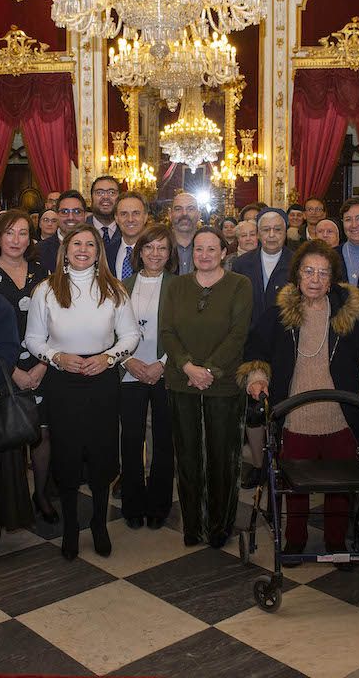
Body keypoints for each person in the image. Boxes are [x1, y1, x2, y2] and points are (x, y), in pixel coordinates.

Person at [240, 240, 359, 557]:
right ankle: (295, 541)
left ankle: (335, 542)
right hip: (294, 414)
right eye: (308, 271)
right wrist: (258, 377)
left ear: (332, 279)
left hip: (340, 414)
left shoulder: (349, 315)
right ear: (297, 275)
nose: (315, 279)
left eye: (323, 273)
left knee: (339, 487)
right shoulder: (278, 314)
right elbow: (256, 351)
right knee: (294, 485)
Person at [25, 226, 140, 560]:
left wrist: (109, 358)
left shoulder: (114, 289)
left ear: (98, 252)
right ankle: (72, 528)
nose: (84, 249)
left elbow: (130, 335)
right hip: (63, 380)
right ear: (65, 249)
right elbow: (33, 339)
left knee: (103, 453)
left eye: (91, 244)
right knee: (67, 454)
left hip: (103, 378)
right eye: (77, 243)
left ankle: (100, 524)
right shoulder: (46, 290)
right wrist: (56, 357)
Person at [159, 226, 252, 548]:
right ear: (191, 253)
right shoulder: (177, 286)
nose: (205, 255)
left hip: (223, 384)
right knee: (187, 456)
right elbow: (167, 331)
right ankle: (192, 525)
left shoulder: (240, 285)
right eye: (199, 249)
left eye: (212, 249)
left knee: (222, 458)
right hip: (181, 381)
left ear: (224, 252)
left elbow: (238, 335)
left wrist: (208, 370)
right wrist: (187, 366)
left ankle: (219, 526)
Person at [0, 211, 55, 524]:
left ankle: (41, 495)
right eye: (10, 233)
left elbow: (57, 319)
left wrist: (41, 365)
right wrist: (12, 370)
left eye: (23, 233)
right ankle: (11, 502)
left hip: (42, 363)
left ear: (31, 238)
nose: (16, 240)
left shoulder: (41, 273)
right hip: (2, 366)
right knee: (9, 435)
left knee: (42, 434)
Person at [120, 225, 176, 530]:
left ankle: (158, 505)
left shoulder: (180, 286)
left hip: (164, 373)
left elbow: (183, 334)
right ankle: (133, 504)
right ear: (139, 252)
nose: (155, 254)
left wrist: (162, 364)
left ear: (170, 255)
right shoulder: (121, 286)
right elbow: (110, 331)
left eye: (162, 249)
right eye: (149, 248)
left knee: (164, 442)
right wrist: (129, 362)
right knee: (130, 440)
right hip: (130, 372)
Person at [232, 208, 293, 330]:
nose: (271, 235)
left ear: (285, 233)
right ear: (259, 234)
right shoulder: (241, 264)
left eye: (277, 230)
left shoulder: (296, 262)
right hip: (249, 337)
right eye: (266, 230)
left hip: (285, 335)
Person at [36, 190, 87, 270]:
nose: (71, 217)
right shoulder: (39, 250)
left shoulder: (97, 247)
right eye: (64, 212)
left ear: (85, 215)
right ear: (57, 215)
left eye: (77, 212)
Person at [88, 176, 122, 272]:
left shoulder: (129, 229)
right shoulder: (80, 230)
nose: (106, 197)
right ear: (91, 198)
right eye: (99, 193)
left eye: (111, 192)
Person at [113, 192, 148, 280]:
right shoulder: (107, 251)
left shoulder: (155, 253)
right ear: (116, 218)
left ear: (145, 217)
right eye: (124, 214)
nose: (130, 219)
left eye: (136, 213)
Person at [170, 193, 201, 275]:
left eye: (190, 209)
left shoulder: (209, 248)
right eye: (178, 209)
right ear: (170, 214)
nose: (184, 213)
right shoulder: (160, 248)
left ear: (199, 214)